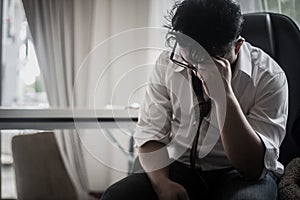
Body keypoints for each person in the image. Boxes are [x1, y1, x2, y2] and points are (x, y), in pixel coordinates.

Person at [101, 0, 288, 199]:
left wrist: (224, 95)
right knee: (115, 195)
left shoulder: (269, 77)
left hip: (237, 173)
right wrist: (162, 184)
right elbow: (151, 134)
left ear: (237, 46)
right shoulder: (168, 62)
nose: (197, 70)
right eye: (190, 60)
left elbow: (251, 168)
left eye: (209, 60)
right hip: (179, 167)